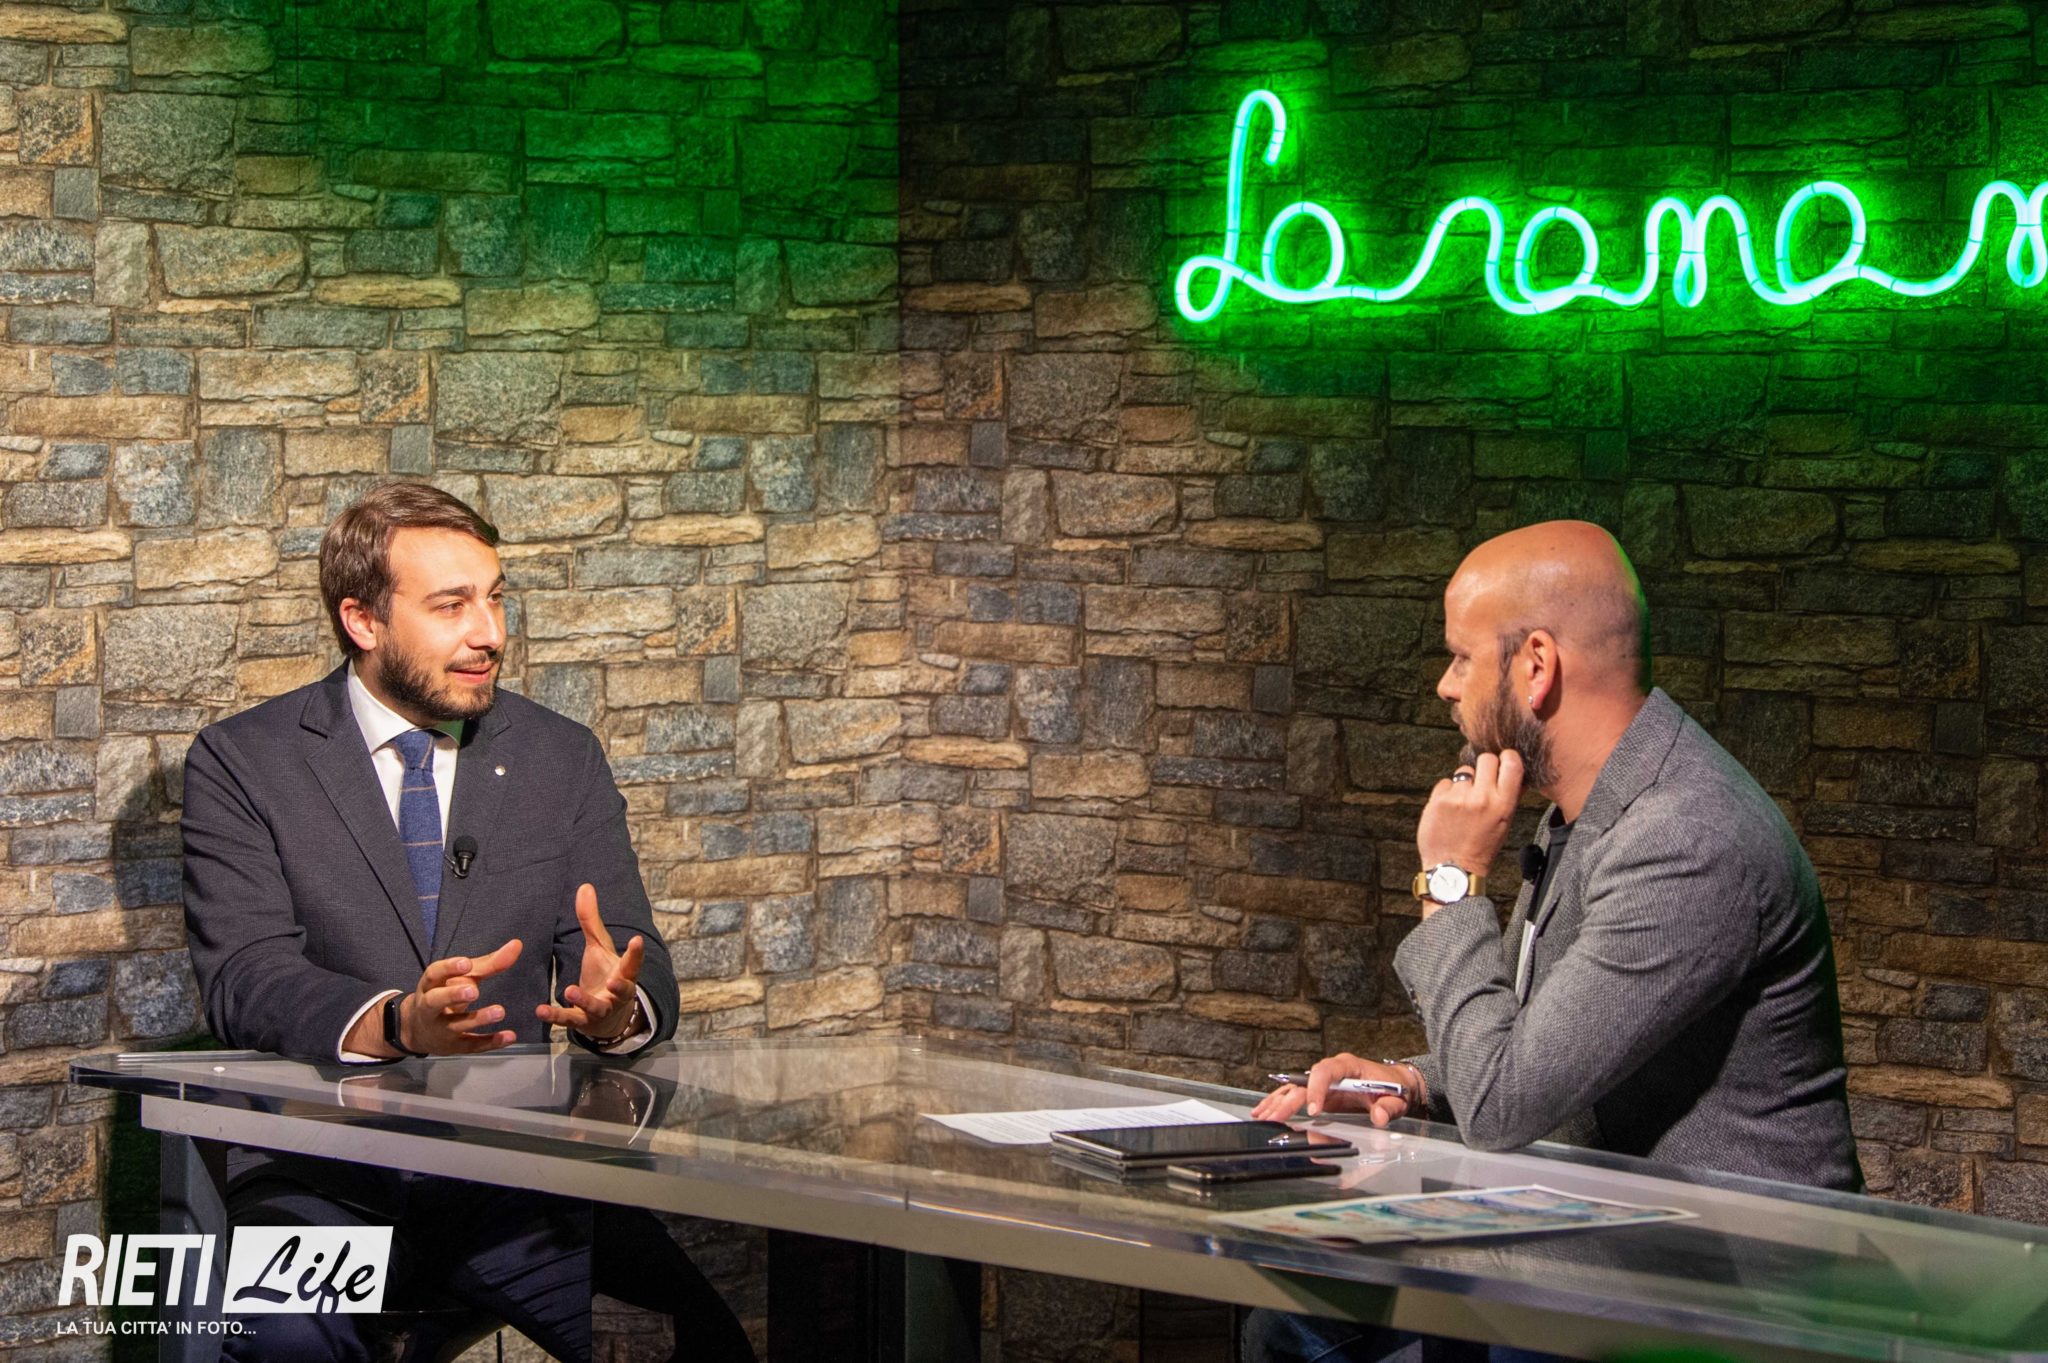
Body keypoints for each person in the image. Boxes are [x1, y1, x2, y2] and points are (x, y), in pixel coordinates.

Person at [1244, 521, 1858, 1363]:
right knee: (1293, 1316)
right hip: (1611, 1241)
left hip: (1722, 1289)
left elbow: (1505, 1103)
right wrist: (1413, 1082)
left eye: (1461, 657)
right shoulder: (1589, 812)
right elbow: (1539, 1048)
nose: (1444, 685)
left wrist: (1450, 880)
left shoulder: (1686, 838)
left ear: (1536, 665)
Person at [181, 482, 752, 1363]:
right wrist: (398, 1022)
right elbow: (245, 976)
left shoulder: (559, 757)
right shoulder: (244, 761)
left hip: (513, 1177)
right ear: (363, 621)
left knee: (703, 1338)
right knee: (288, 1342)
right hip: (322, 1179)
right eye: (451, 605)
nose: (489, 632)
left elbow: (629, 957)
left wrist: (616, 1015)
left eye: (494, 597)